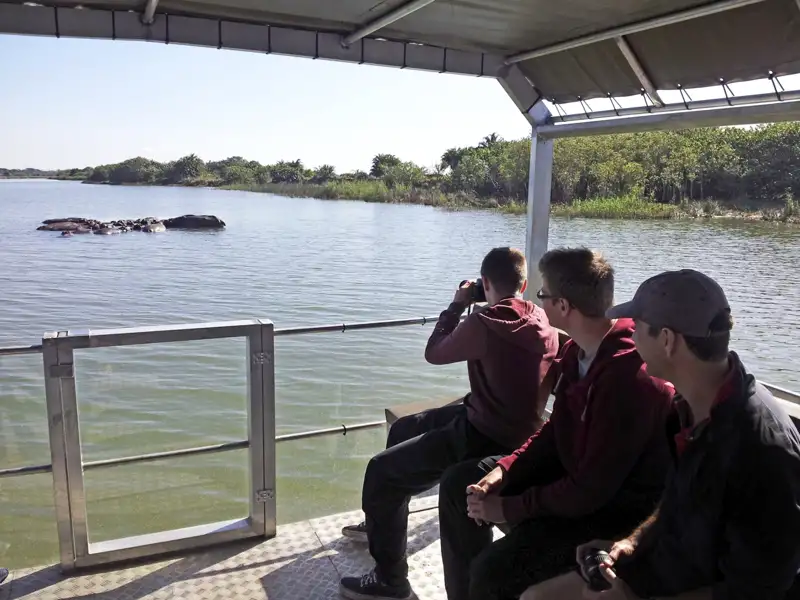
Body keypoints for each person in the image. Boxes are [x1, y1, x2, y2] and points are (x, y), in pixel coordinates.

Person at [521, 268, 800, 600]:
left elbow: (762, 588)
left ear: (668, 340)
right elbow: (677, 501)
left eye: (637, 327)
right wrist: (632, 542)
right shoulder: (689, 406)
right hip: (664, 568)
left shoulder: (761, 447)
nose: (632, 336)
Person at [437, 247, 675, 600]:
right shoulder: (579, 353)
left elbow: (589, 490)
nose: (538, 301)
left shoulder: (628, 378)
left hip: (612, 510)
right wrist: (504, 469)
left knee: (492, 572)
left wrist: (508, 507)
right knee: (461, 485)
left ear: (563, 307)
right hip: (575, 479)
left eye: (543, 294)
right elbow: (554, 430)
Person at [339, 247, 560, 600]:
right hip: (509, 424)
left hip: (482, 433)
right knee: (404, 429)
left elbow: (435, 352)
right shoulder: (543, 320)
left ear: (484, 282)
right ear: (525, 284)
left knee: (381, 471)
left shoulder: (483, 322)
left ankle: (390, 581)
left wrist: (457, 305)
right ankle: (383, 520)